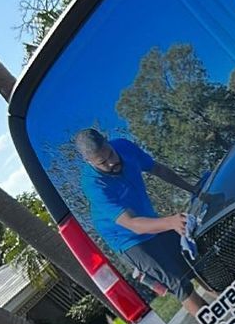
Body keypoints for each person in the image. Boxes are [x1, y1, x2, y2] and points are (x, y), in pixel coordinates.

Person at [74, 128, 207, 314]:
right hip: (129, 240)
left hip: (150, 222)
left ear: (107, 141)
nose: (112, 162)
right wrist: (170, 222)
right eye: (103, 162)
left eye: (110, 154)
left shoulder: (124, 146)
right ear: (89, 162)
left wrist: (192, 189)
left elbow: (158, 169)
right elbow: (132, 224)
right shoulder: (94, 185)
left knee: (198, 261)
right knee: (179, 283)